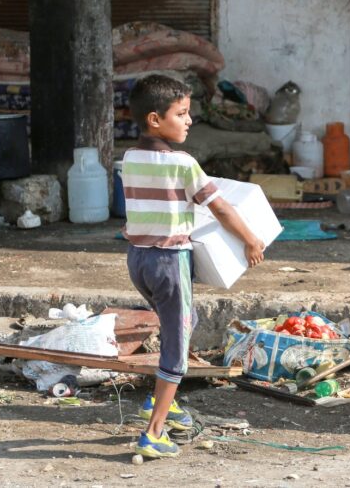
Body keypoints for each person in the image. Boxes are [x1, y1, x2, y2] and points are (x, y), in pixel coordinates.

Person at [123, 74, 265, 458]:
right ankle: (154, 431)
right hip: (169, 262)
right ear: (155, 119)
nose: (188, 121)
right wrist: (250, 239)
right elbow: (220, 207)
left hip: (138, 260)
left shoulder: (130, 158)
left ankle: (160, 402)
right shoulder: (183, 164)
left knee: (183, 325)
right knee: (177, 343)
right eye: (181, 114)